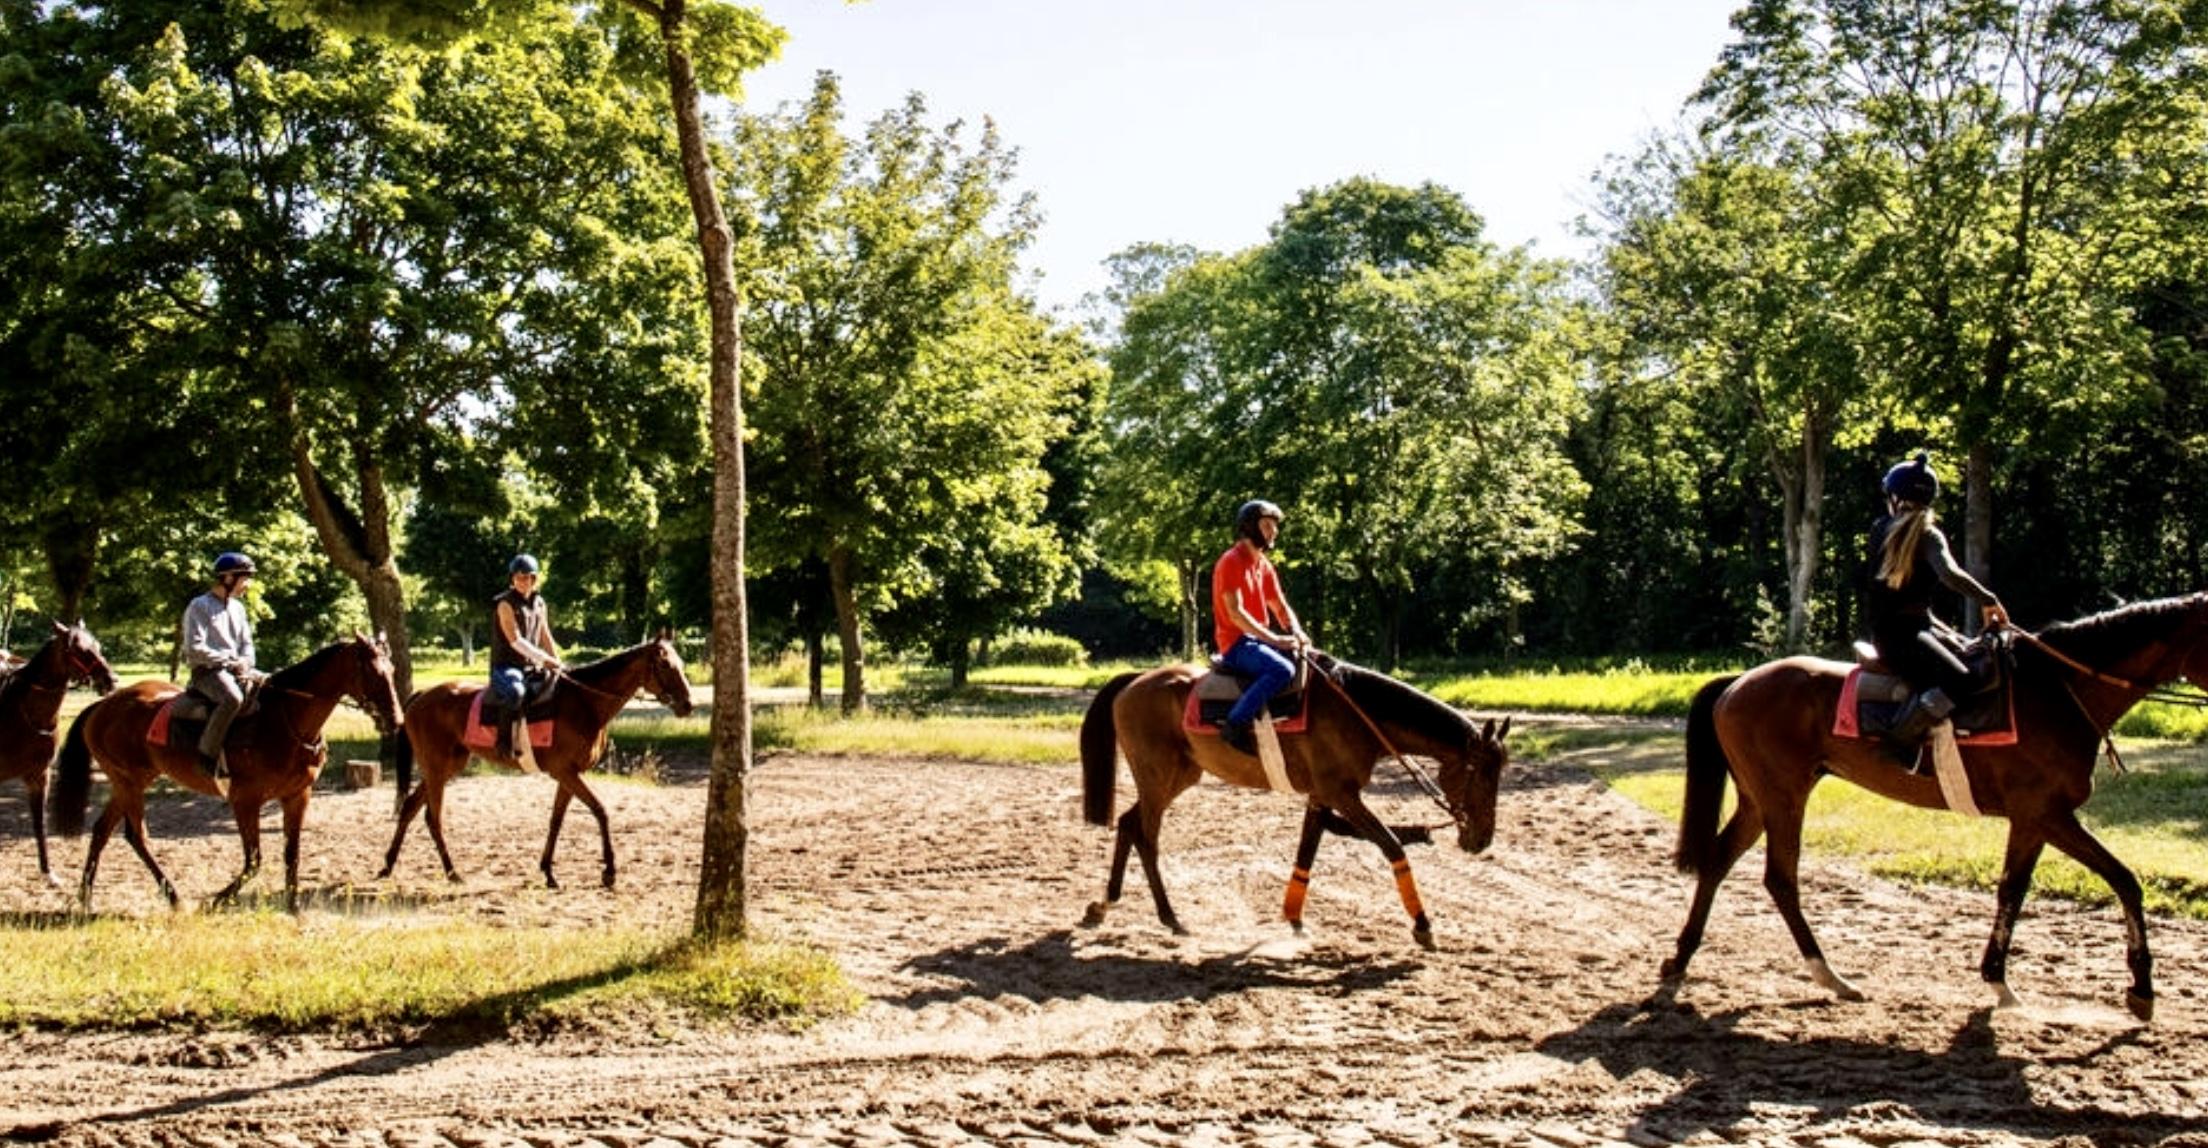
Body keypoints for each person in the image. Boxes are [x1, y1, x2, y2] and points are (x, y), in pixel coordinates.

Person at [1863, 453, 2009, 765]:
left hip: (1901, 633)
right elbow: (1949, 575)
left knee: (1968, 656)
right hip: (1906, 638)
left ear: (1894, 496)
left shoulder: (1881, 528)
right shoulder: (1928, 534)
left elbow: (1908, 604)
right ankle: (1899, 741)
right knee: (1963, 679)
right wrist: (1989, 600)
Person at [1211, 499, 1309, 757]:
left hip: (1258, 640)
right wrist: (1276, 639)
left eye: (1275, 526)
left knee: (1306, 660)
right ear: (1249, 527)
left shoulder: (1263, 564)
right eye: (1267, 525)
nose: (1273, 531)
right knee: (1282, 669)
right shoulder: (1230, 561)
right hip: (1236, 643)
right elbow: (1236, 613)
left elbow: (1279, 605)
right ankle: (1235, 723)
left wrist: (1296, 631)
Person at [181, 551, 260, 791]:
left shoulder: (238, 609)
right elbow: (194, 648)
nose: (248, 584)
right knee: (232, 698)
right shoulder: (199, 606)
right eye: (244, 578)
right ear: (227, 577)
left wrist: (246, 661)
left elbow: (247, 645)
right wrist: (228, 661)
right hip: (208, 673)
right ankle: (207, 757)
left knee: (273, 687)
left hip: (238, 669)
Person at [487, 553, 562, 757]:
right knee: (516, 692)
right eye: (518, 577)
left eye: (527, 577)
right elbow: (515, 640)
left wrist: (558, 663)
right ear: (512, 579)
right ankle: (503, 744)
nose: (522, 581)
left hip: (530, 667)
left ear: (534, 579)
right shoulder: (504, 604)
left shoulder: (539, 603)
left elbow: (545, 635)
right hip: (505, 667)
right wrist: (543, 659)